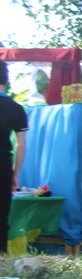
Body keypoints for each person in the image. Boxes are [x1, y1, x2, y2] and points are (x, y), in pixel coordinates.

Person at [1, 60, 29, 252]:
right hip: (3, 164)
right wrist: (15, 175)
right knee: (2, 215)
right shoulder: (16, 108)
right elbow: (21, 146)